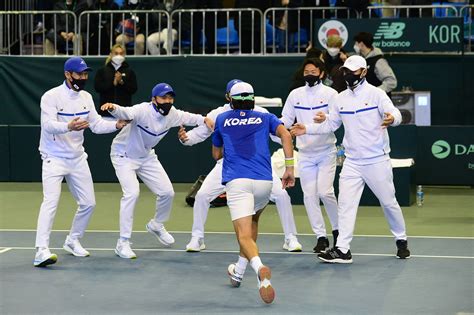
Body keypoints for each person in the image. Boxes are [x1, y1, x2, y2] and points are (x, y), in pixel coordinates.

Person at [290, 55, 411, 263]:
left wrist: (393, 119)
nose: (349, 75)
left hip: (376, 160)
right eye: (346, 70)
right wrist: (307, 128)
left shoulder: (377, 94)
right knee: (345, 205)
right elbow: (331, 125)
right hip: (352, 162)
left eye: (353, 71)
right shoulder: (340, 98)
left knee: (388, 202)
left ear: (364, 72)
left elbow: (394, 113)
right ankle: (343, 249)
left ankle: (401, 239)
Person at [178, 79, 302, 253]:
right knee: (202, 195)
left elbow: (278, 135)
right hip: (226, 164)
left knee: (281, 195)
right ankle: (197, 238)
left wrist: (288, 135)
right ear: (228, 96)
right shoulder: (219, 114)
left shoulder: (260, 112)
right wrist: (187, 139)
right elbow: (202, 133)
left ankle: (291, 238)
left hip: (257, 164)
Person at [100, 83, 213, 259]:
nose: (168, 101)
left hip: (146, 157)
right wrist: (113, 108)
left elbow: (192, 118)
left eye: (170, 98)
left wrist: (206, 119)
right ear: (154, 99)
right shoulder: (142, 110)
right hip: (123, 155)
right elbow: (125, 112)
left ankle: (156, 224)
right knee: (132, 193)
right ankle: (122, 243)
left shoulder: (173, 114)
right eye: (164, 98)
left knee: (167, 192)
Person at [34, 57, 127, 267]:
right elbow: (47, 125)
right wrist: (69, 126)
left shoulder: (86, 97)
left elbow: (96, 125)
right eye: (80, 74)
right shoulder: (51, 97)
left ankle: (73, 240)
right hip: (53, 157)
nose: (83, 78)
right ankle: (41, 250)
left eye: (86, 74)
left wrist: (116, 125)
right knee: (50, 202)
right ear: (68, 74)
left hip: (77, 158)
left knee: (88, 203)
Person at [212, 81, 295, 304]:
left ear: (231, 99)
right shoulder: (266, 117)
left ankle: (259, 268)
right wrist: (289, 168)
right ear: (252, 99)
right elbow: (286, 136)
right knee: (253, 221)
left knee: (243, 234)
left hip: (238, 182)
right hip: (264, 184)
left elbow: (216, 155)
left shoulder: (221, 119)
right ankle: (238, 271)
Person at [281, 58, 339, 253]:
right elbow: (286, 120)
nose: (310, 74)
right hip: (304, 154)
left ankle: (338, 231)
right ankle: (321, 236)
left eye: (314, 71)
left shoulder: (331, 94)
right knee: (309, 195)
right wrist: (273, 125)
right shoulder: (295, 94)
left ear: (321, 73)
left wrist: (308, 128)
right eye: (307, 71)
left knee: (325, 192)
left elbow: (334, 122)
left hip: (326, 152)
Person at [94, 44, 138, 117]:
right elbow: (98, 88)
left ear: (124, 55)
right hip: (106, 113)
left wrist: (122, 82)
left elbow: (133, 89)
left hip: (124, 113)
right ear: (111, 54)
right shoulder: (102, 71)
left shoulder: (129, 71)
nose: (118, 56)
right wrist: (113, 83)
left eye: (121, 53)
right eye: (116, 53)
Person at [353, 32, 397, 96]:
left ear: (361, 44)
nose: (355, 46)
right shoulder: (362, 60)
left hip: (379, 102)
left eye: (356, 43)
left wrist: (375, 93)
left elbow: (391, 82)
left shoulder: (379, 61)